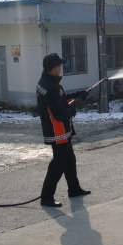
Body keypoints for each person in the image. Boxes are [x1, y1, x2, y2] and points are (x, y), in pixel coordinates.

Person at [36, 53, 91, 207]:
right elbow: (59, 113)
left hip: (59, 131)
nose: (61, 68)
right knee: (58, 164)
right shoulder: (50, 87)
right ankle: (46, 197)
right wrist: (72, 112)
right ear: (54, 68)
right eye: (59, 65)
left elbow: (60, 100)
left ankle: (73, 189)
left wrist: (78, 95)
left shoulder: (46, 83)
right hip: (57, 131)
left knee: (69, 160)